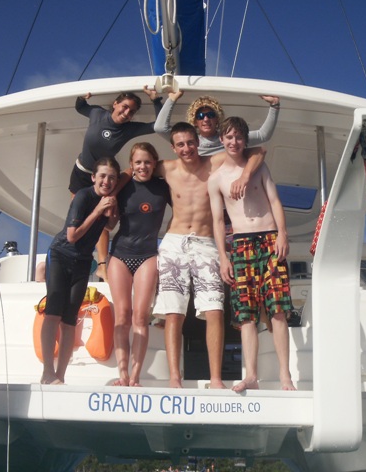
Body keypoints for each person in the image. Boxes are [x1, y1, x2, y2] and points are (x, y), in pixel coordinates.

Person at [152, 122, 266, 389]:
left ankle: (216, 379)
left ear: (198, 142)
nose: (186, 148)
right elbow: (135, 167)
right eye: (180, 144)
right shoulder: (166, 168)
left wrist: (245, 176)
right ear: (173, 148)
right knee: (173, 312)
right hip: (174, 242)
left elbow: (259, 151)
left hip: (206, 243)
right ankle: (174, 379)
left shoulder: (214, 162)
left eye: (190, 142)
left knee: (214, 310)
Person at [208, 116, 296, 392]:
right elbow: (218, 221)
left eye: (238, 137)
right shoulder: (216, 179)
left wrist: (283, 234)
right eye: (229, 137)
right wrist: (223, 256)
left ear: (245, 140)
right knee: (246, 313)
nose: (234, 142)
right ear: (221, 140)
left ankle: (285, 376)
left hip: (270, 239)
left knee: (278, 309)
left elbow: (275, 201)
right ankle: (251, 376)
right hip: (241, 244)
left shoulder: (258, 167)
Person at [41, 157, 121, 385]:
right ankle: (47, 372)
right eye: (102, 176)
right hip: (61, 255)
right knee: (53, 313)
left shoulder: (108, 200)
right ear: (93, 177)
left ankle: (60, 375)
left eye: (112, 178)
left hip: (83, 261)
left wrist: (112, 211)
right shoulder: (84, 197)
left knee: (69, 320)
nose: (106, 181)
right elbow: (72, 235)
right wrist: (97, 211)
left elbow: (109, 226)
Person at [70, 87, 163, 282]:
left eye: (132, 111)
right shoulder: (97, 114)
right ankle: (74, 259)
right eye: (125, 107)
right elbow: (80, 108)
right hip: (82, 173)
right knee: (76, 218)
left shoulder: (128, 129)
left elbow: (157, 125)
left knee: (100, 220)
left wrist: (156, 101)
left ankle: (102, 266)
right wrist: (82, 97)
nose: (127, 113)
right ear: (115, 104)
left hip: (104, 179)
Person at [109, 143, 171, 387]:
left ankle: (135, 376)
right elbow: (106, 222)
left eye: (147, 162)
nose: (143, 166)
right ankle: (122, 374)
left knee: (140, 317)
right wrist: (102, 261)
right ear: (131, 165)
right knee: (122, 316)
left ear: (154, 163)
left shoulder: (163, 187)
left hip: (147, 255)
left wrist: (171, 231)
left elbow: (184, 209)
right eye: (138, 162)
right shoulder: (123, 186)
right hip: (120, 255)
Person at [154, 91, 280, 156]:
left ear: (217, 119)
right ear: (195, 121)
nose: (206, 119)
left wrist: (274, 105)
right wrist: (172, 99)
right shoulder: (189, 141)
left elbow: (264, 135)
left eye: (210, 115)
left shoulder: (230, 139)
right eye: (200, 116)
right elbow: (160, 128)